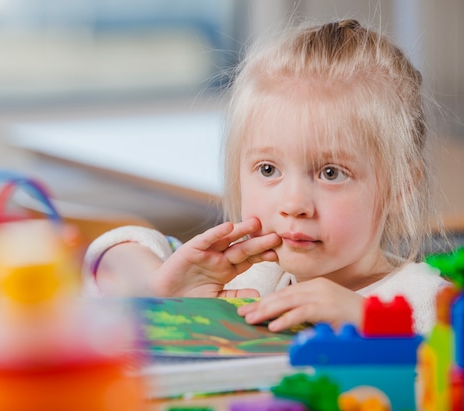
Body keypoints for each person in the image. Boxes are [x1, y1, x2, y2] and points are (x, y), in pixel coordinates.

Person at [81, 19, 451, 334]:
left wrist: (371, 322)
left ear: (401, 186)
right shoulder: (250, 278)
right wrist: (157, 287)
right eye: (268, 169)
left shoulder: (429, 306)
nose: (294, 205)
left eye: (331, 172)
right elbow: (112, 252)